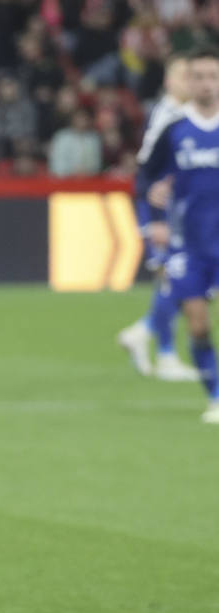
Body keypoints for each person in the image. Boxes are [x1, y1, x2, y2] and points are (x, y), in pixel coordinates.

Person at [137, 46, 219, 423]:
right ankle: (216, 399)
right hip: (191, 245)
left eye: (212, 76)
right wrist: (153, 211)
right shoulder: (174, 129)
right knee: (198, 323)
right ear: (188, 82)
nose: (205, 84)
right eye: (198, 76)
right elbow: (147, 175)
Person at [117, 54, 201, 382]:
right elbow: (146, 171)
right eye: (184, 76)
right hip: (162, 212)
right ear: (169, 81)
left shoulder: (182, 114)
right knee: (180, 279)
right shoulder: (169, 117)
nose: (190, 83)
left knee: (173, 279)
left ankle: (162, 351)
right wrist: (154, 218)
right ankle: (148, 336)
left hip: (179, 211)